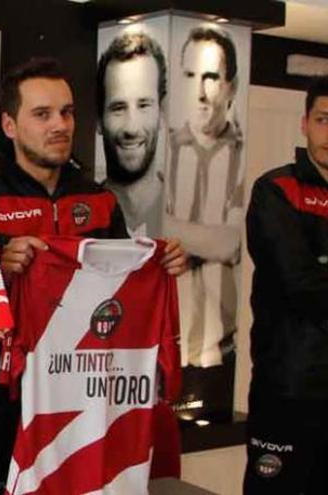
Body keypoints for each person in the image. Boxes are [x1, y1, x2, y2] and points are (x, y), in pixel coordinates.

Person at [0, 56, 187, 494]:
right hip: (5, 407)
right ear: (10, 125)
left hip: (86, 398)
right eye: (42, 114)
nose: (60, 124)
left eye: (67, 112)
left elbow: (123, 293)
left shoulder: (100, 201)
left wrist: (160, 265)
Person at [244, 76, 328, 494]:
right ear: (305, 124)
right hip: (287, 390)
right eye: (323, 119)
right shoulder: (276, 190)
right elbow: (301, 282)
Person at [164, 26, 243, 369]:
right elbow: (147, 235)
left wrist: (169, 227)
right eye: (190, 75)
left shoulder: (245, 158)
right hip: (164, 342)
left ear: (231, 87)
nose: (199, 91)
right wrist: (201, 237)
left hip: (224, 348)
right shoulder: (162, 152)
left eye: (210, 77)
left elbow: (230, 243)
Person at [97, 30, 167, 236]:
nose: (132, 128)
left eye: (144, 105)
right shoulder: (83, 212)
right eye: (118, 107)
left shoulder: (184, 212)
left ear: (161, 113)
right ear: (99, 121)